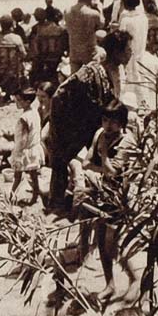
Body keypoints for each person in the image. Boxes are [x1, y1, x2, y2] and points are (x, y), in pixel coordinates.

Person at [47, 31, 131, 210]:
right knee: (62, 160)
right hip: (76, 124)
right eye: (127, 49)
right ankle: (56, 203)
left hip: (96, 123)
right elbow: (59, 96)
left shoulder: (115, 70)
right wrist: (67, 124)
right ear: (117, 52)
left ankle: (102, 200)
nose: (130, 53)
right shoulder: (91, 72)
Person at [9, 88, 45, 205]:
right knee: (33, 175)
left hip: (25, 150)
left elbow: (23, 139)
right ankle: (35, 196)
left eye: (19, 100)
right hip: (34, 148)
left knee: (17, 176)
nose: (16, 102)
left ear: (28, 102)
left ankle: (11, 196)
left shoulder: (23, 118)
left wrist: (17, 153)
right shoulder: (34, 112)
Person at [66, 0, 105, 75]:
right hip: (89, 53)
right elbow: (101, 24)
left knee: (75, 77)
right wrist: (100, 8)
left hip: (74, 51)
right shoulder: (92, 14)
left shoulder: (67, 11)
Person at [117, 0, 149, 106]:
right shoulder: (143, 18)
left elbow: (121, 36)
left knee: (131, 75)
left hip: (129, 50)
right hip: (141, 47)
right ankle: (141, 100)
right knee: (138, 73)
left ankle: (138, 101)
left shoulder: (126, 20)